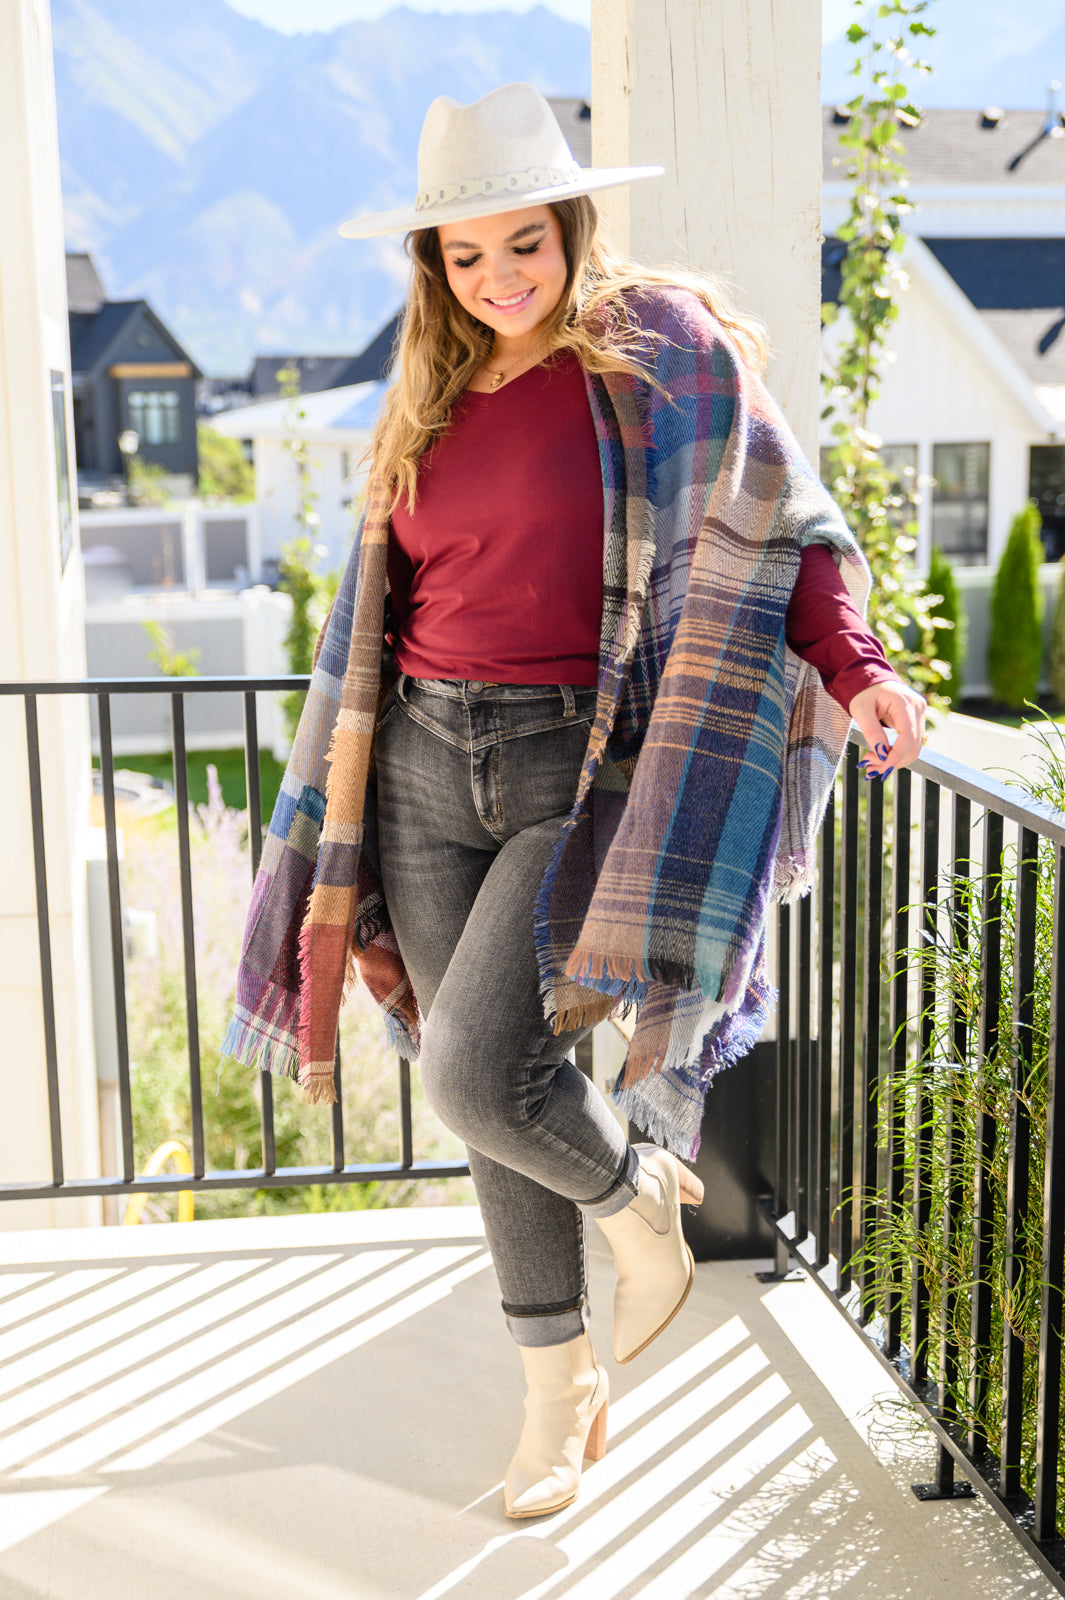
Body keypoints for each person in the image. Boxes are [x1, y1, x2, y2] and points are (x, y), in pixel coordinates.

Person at [224, 82, 926, 1520]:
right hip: (417, 758)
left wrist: (854, 670)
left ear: (569, 227)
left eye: (521, 246)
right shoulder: (427, 384)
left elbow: (773, 523)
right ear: (433, 265)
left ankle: (636, 1214)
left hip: (571, 759)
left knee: (481, 1071)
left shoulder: (656, 348)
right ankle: (557, 1396)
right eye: (465, 258)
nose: (497, 280)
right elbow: (393, 592)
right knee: (483, 1097)